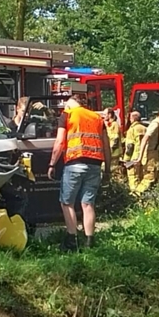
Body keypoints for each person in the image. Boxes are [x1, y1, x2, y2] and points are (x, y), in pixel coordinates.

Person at [48, 94, 110, 251]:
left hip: (75, 163)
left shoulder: (67, 115)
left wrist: (52, 163)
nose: (65, 107)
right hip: (95, 164)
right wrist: (108, 168)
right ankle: (89, 241)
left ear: (74, 103)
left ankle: (72, 240)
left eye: (67, 104)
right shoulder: (97, 118)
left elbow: (60, 141)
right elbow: (106, 145)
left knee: (67, 202)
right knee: (88, 204)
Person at [122, 110, 146, 192]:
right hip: (143, 158)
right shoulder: (145, 128)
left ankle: (135, 197)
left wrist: (126, 160)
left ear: (132, 119)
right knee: (141, 178)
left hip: (133, 159)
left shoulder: (131, 129)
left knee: (133, 178)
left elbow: (130, 146)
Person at [104, 109, 124, 182]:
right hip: (110, 151)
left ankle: (117, 183)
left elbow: (115, 138)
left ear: (109, 115)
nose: (103, 116)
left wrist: (111, 150)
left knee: (114, 169)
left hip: (114, 151)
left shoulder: (115, 124)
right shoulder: (109, 124)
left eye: (105, 114)